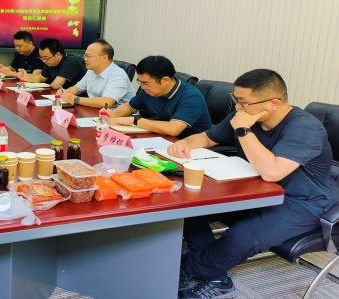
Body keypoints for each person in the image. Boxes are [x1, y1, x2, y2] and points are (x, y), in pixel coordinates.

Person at [168, 69, 331, 299]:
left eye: (243, 102)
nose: (237, 107)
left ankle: (186, 267)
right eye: (236, 99)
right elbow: (207, 138)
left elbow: (272, 172)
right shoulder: (244, 114)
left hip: (299, 202)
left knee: (241, 237)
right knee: (189, 208)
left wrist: (243, 130)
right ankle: (216, 276)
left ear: (273, 103)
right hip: (254, 189)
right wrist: (185, 143)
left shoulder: (304, 128)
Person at [107, 56, 211, 138]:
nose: (142, 87)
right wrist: (114, 114)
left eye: (146, 83)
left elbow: (173, 129)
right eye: (140, 82)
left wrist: (135, 121)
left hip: (190, 146)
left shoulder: (191, 96)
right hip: (160, 137)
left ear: (165, 80)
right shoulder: (149, 90)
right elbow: (130, 107)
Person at [57, 39, 135, 108]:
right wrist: (65, 92)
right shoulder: (91, 71)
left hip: (119, 116)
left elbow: (106, 103)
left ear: (104, 58)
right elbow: (77, 89)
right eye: (85, 56)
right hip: (96, 112)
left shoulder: (118, 75)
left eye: (88, 56)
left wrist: (75, 99)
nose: (85, 59)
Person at [17, 38, 86, 90]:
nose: (43, 61)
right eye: (41, 58)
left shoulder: (71, 62)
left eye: (45, 58)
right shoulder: (51, 62)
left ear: (58, 55)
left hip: (80, 98)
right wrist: (26, 77)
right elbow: (41, 77)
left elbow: (56, 85)